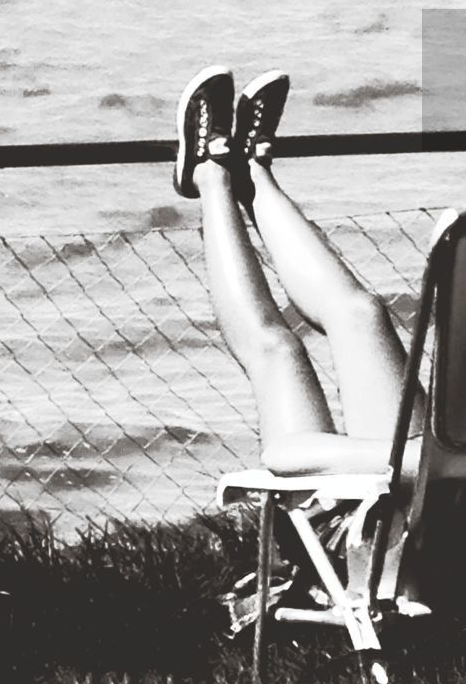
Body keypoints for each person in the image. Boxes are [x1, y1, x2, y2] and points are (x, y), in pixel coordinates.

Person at [174, 65, 425, 477]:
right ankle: (251, 174)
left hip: (368, 525)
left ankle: (210, 174)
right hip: (441, 481)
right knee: (362, 313)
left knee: (277, 351)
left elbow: (284, 456)